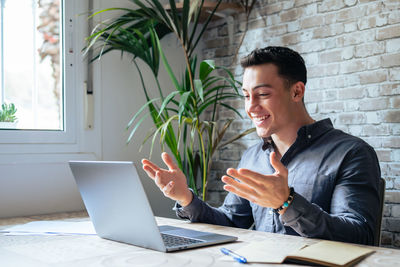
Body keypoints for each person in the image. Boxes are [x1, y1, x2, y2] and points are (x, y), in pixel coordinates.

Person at [141, 46, 381, 245]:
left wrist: (287, 203)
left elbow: (359, 235)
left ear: (296, 92)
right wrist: (186, 199)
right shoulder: (253, 156)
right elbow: (233, 221)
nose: (251, 107)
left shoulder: (351, 153)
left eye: (263, 94)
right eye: (246, 95)